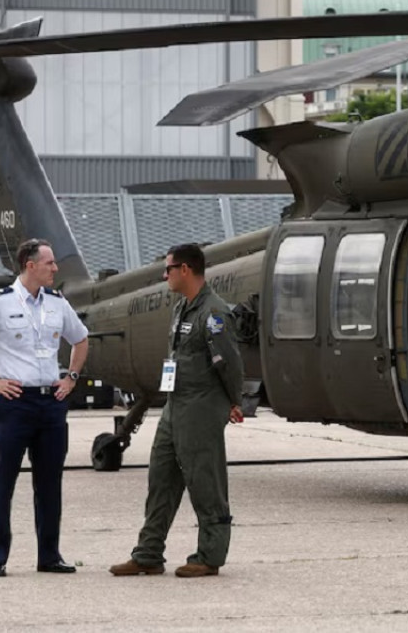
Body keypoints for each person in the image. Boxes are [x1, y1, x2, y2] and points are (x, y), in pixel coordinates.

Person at [0, 238, 89, 577]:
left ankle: (49, 555)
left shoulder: (56, 302)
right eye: (50, 263)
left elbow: (81, 338)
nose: (55, 268)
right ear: (30, 265)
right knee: (4, 480)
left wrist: (70, 378)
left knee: (50, 482)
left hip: (50, 403)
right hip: (15, 403)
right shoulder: (0, 302)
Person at [110, 244, 244, 578]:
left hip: (201, 405)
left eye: (168, 269)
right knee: (161, 476)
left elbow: (230, 362)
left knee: (204, 480)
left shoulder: (213, 312)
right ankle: (149, 552)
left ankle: (210, 554)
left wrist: (233, 402)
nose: (164, 275)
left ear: (185, 269)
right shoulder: (182, 308)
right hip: (176, 403)